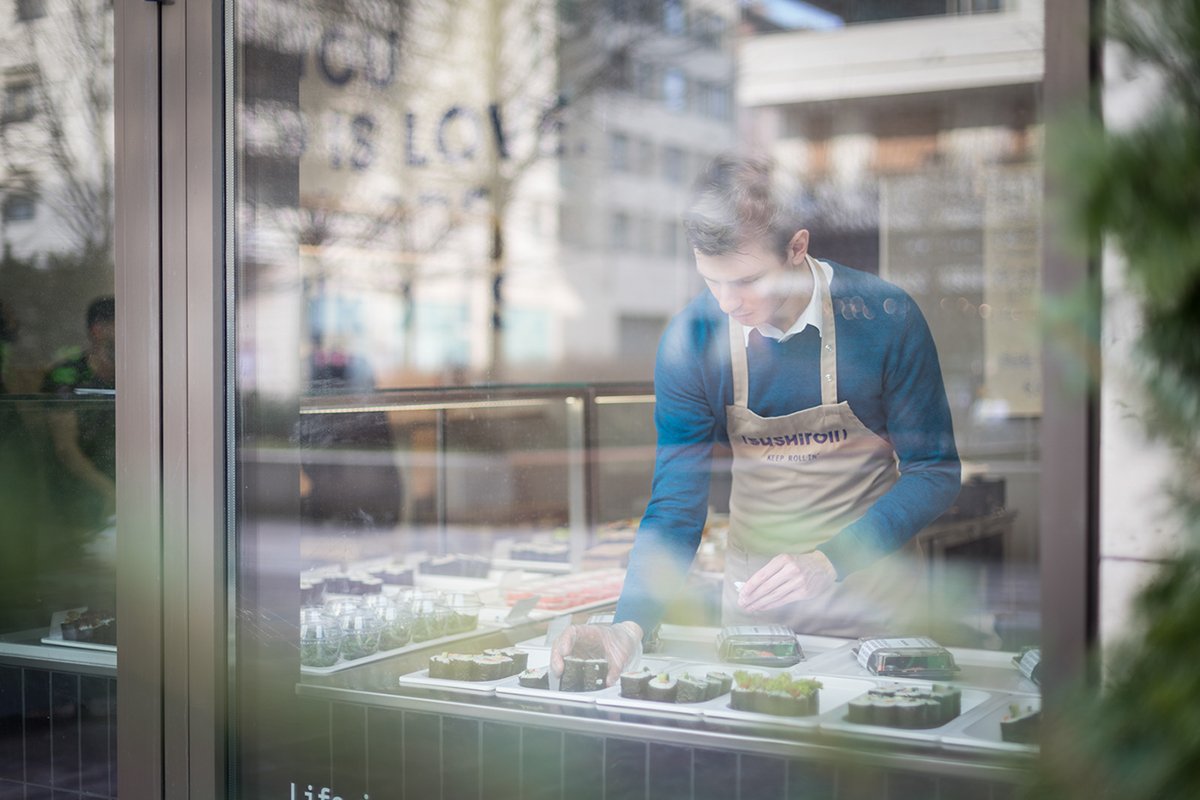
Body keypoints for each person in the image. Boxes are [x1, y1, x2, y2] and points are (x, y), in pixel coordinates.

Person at [551, 155, 960, 684]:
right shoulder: (691, 342)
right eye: (711, 281)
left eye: (746, 281)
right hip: (756, 613)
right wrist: (628, 625)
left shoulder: (883, 318)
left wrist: (829, 560)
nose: (727, 303)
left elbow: (935, 472)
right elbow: (677, 505)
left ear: (797, 247)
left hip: (875, 603)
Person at [41, 296, 117, 530]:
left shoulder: (139, 373)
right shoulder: (67, 374)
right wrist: (111, 492)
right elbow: (65, 450)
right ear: (98, 331)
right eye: (123, 324)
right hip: (77, 499)